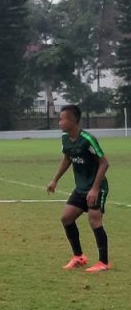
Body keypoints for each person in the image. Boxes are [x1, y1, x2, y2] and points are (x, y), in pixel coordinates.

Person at [47, 105, 111, 273]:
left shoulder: (87, 139)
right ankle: (79, 257)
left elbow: (104, 163)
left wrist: (95, 189)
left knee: (94, 220)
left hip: (96, 187)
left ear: (73, 120)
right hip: (81, 188)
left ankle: (103, 262)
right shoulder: (65, 139)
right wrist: (55, 180)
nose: (59, 122)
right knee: (66, 218)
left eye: (62, 119)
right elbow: (67, 158)